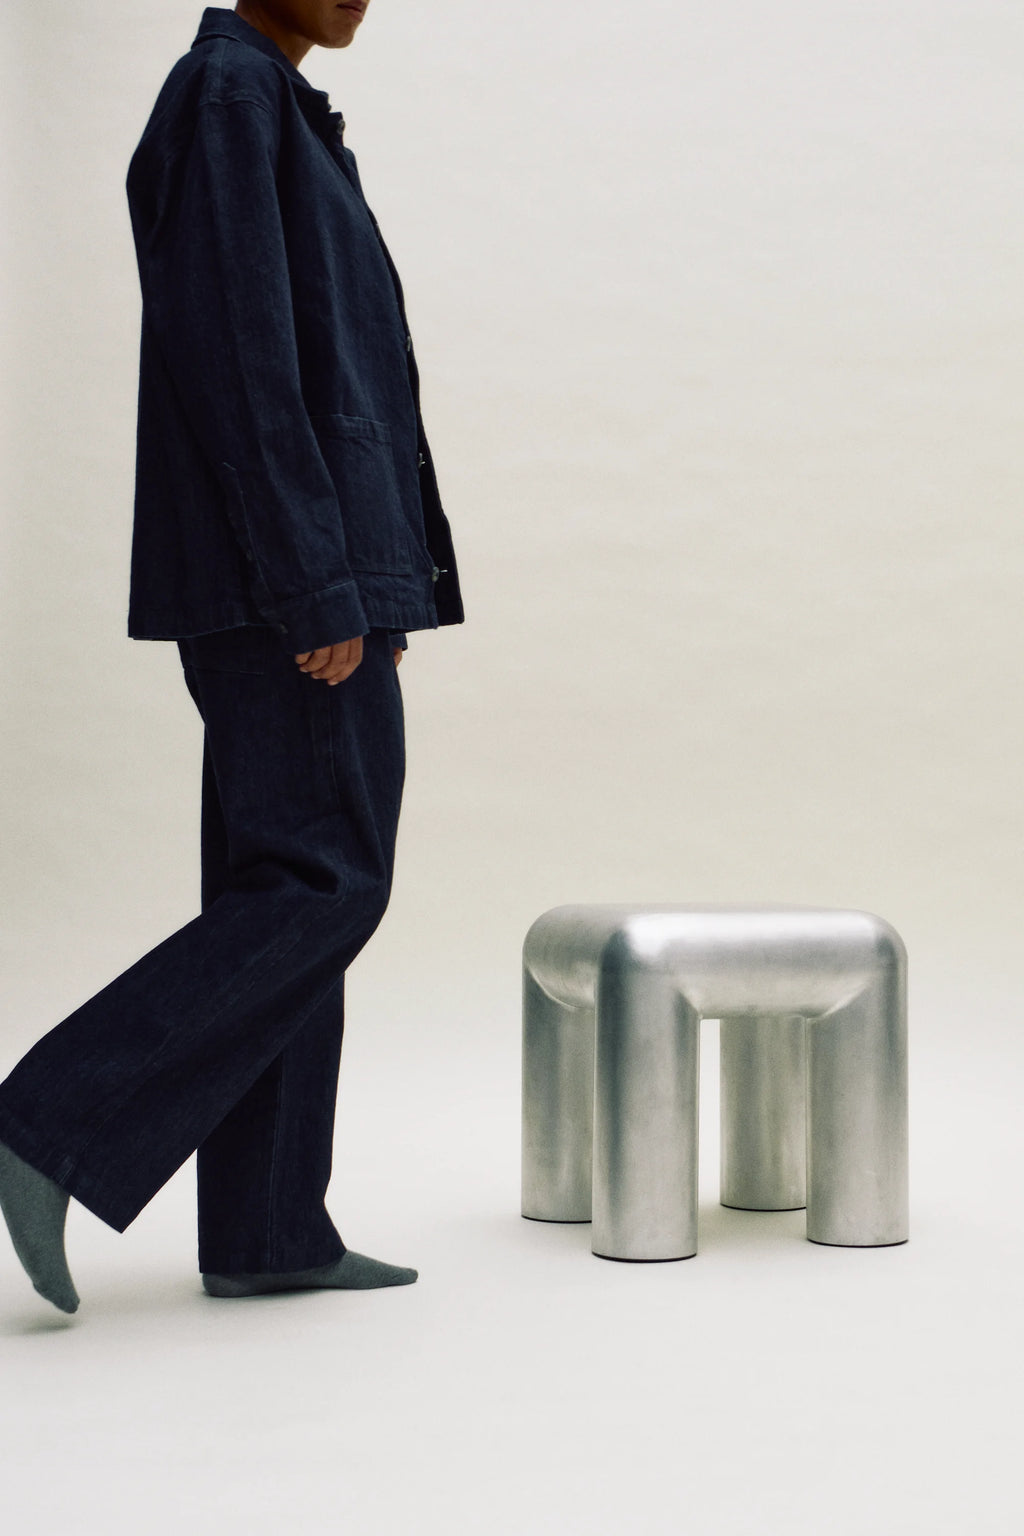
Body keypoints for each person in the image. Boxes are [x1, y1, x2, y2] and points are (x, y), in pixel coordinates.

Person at [0, 0, 463, 1314]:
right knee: (325, 882)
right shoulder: (232, 95)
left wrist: (374, 584)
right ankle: (47, 1118)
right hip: (285, 583)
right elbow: (245, 365)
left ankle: (268, 1229)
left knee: (285, 889)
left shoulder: (273, 104)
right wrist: (316, 583)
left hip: (311, 575)